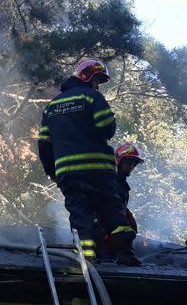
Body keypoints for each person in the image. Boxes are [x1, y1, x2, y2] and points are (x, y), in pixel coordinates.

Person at [37, 58, 138, 265]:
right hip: (98, 168)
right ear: (88, 78)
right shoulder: (92, 97)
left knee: (80, 213)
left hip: (68, 172)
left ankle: (87, 258)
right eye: (97, 80)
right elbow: (107, 128)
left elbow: (44, 144)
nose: (98, 85)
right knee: (112, 210)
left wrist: (52, 171)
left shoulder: (52, 106)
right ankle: (126, 254)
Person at [99, 142, 144, 260]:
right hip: (101, 236)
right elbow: (109, 211)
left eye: (134, 164)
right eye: (129, 163)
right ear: (119, 161)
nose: (132, 167)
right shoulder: (111, 183)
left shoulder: (121, 184)